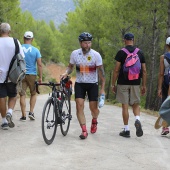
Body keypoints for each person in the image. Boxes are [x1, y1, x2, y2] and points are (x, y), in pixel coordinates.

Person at [61, 32, 105, 139]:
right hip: (80, 83)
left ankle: (94, 120)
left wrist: (102, 89)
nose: (87, 45)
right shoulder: (75, 54)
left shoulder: (96, 55)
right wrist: (66, 73)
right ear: (80, 43)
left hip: (92, 84)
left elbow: (101, 73)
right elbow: (70, 67)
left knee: (93, 109)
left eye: (89, 43)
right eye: (85, 43)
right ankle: (84, 130)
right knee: (79, 105)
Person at [111, 33, 147, 138]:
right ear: (133, 40)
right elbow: (144, 71)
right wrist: (144, 85)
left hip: (123, 82)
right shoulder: (140, 53)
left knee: (125, 106)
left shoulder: (121, 53)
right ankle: (137, 119)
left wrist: (113, 83)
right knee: (135, 104)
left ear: (124, 40)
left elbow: (116, 70)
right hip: (136, 82)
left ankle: (126, 130)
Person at [0, 22, 25, 129]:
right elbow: (21, 57)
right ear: (9, 32)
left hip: (0, 76)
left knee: (1, 98)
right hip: (12, 75)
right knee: (13, 96)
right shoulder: (15, 42)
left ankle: (4, 121)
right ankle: (10, 111)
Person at [19, 31, 42, 121]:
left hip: (21, 74)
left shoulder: (19, 48)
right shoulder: (36, 50)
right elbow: (39, 65)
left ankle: (23, 115)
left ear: (23, 38)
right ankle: (31, 112)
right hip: (32, 74)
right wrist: (40, 77)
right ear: (32, 39)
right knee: (33, 94)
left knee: (22, 94)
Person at [157, 37, 170, 135]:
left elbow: (161, 74)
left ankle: (165, 127)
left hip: (166, 82)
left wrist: (159, 88)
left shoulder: (163, 57)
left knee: (165, 104)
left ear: (166, 45)